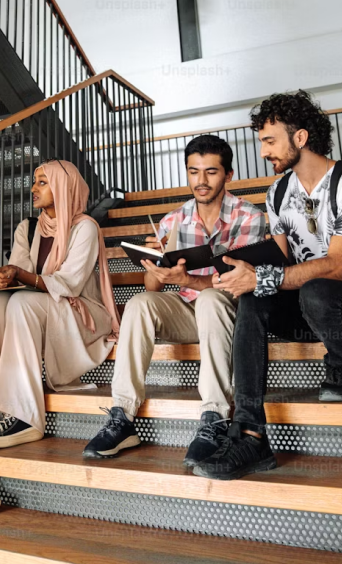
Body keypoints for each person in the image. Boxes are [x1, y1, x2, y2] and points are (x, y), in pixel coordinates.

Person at [194, 91, 342, 481]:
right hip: (305, 309)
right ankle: (250, 433)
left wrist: (265, 277)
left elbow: (337, 265)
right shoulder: (278, 192)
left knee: (316, 287)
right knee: (253, 295)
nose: (264, 152)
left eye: (269, 140)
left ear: (299, 138)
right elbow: (280, 263)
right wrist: (241, 270)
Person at [82, 135, 267, 464]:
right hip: (188, 311)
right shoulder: (173, 219)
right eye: (193, 172)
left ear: (229, 175)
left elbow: (238, 281)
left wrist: (188, 280)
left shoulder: (248, 216)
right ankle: (122, 416)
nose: (201, 180)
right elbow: (152, 288)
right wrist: (156, 261)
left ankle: (215, 418)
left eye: (211, 172)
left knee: (210, 297)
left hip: (232, 311)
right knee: (139, 303)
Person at [0, 159, 121, 449]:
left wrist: (18, 275)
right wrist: (1, 279)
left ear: (62, 186)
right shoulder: (28, 228)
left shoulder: (86, 229)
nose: (33, 188)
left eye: (42, 182)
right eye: (35, 181)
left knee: (22, 304)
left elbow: (69, 283)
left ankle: (25, 415)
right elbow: (19, 276)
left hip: (80, 313)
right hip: (40, 308)